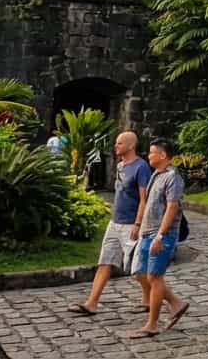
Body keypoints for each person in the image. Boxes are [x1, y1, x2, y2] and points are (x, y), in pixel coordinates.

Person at [68, 131, 152, 316]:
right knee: (104, 262)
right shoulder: (121, 166)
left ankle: (158, 298)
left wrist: (138, 224)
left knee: (137, 269)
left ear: (131, 145)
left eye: (120, 143)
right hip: (115, 223)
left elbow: (144, 199)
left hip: (131, 223)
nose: (116, 146)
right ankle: (91, 302)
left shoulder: (141, 167)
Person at [125, 138, 190, 340]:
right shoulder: (155, 175)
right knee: (140, 273)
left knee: (154, 277)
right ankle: (176, 303)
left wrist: (160, 234)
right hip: (147, 232)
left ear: (162, 155)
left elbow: (172, 207)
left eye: (152, 153)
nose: (149, 156)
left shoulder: (173, 177)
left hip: (162, 235)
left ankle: (152, 324)